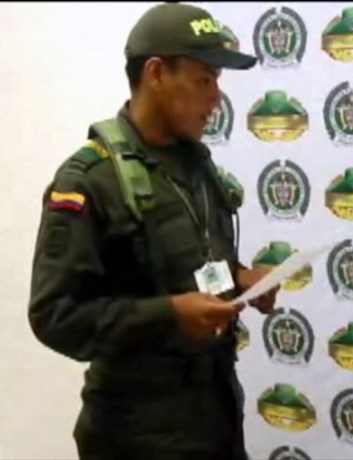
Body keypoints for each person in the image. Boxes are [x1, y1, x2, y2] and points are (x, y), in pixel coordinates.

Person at [27, 3, 276, 460]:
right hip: (135, 436)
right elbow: (55, 316)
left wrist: (239, 278)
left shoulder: (197, 165)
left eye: (217, 81)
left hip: (215, 421)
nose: (216, 98)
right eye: (204, 80)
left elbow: (195, 263)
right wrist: (169, 315)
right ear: (156, 73)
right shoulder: (90, 180)